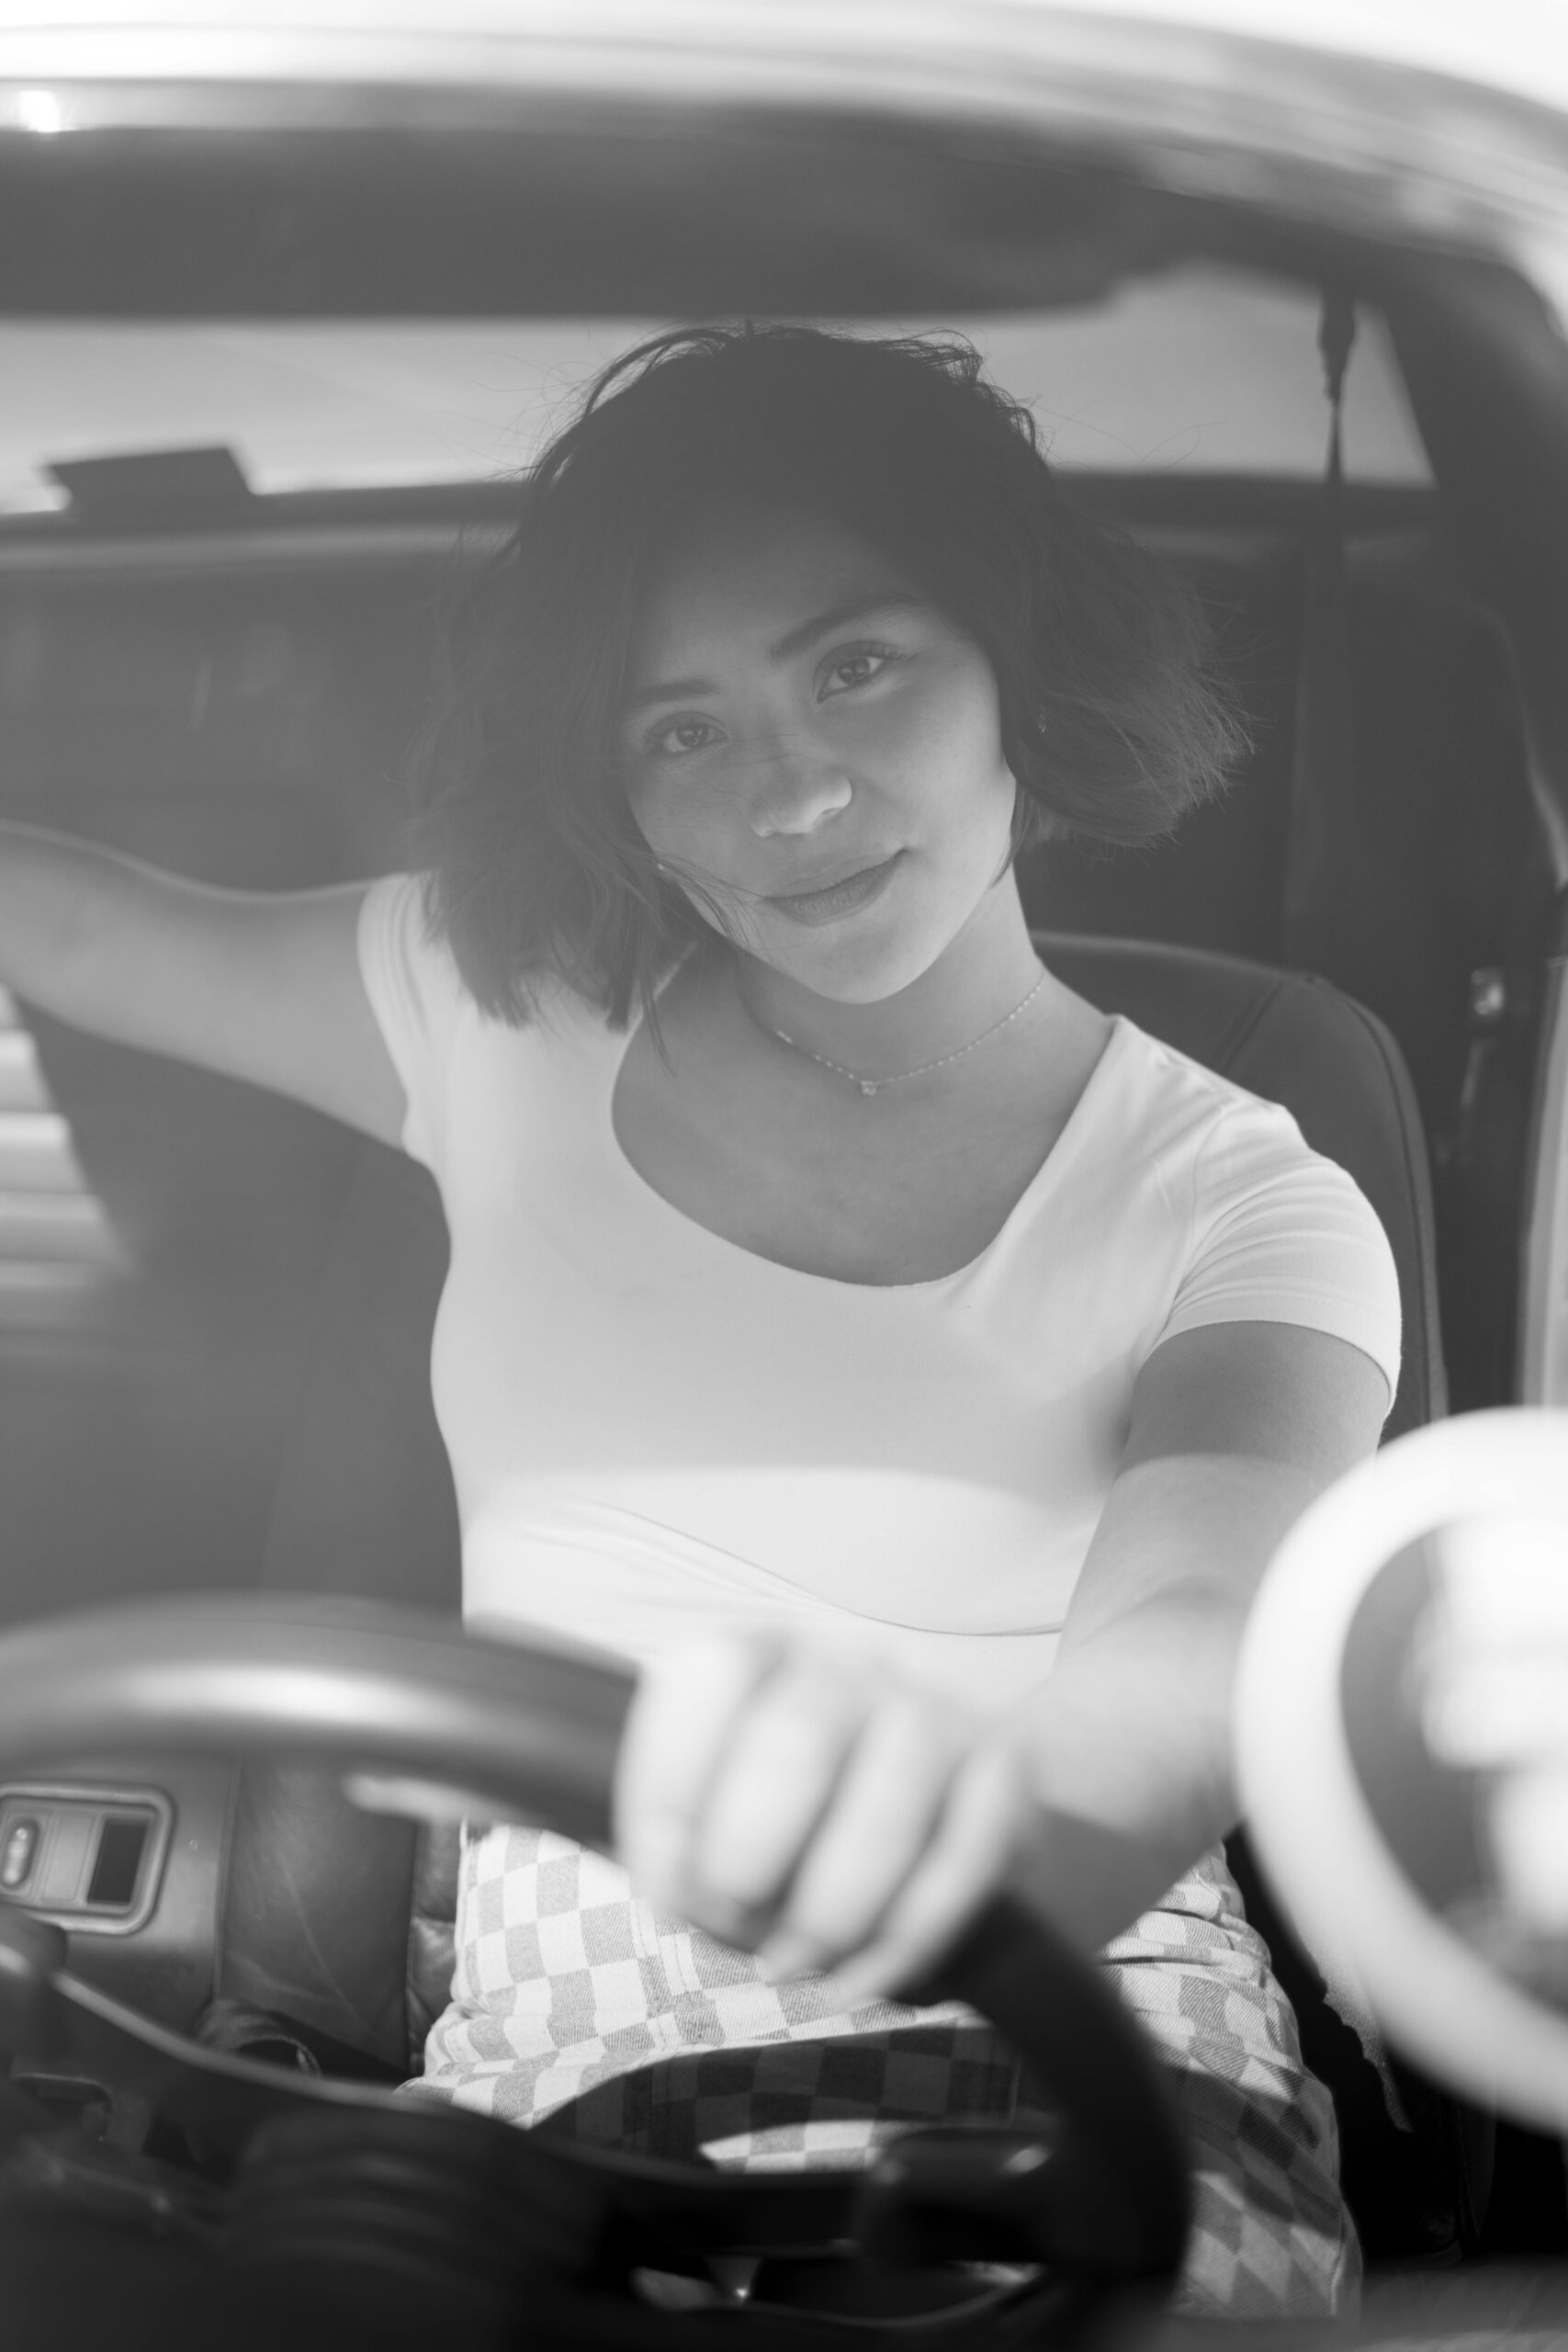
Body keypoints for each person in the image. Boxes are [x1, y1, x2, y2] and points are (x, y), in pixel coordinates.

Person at [0, 325, 1397, 2321]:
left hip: (1083, 2060)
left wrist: (971, 1833)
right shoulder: (490, 1017)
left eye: (855, 664)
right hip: (562, 2096)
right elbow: (72, 920)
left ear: (1012, 656)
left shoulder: (1247, 1198)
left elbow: (1179, 1662)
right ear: (617, 791)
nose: (795, 792)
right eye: (683, 729)